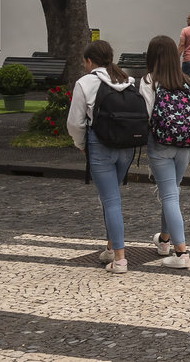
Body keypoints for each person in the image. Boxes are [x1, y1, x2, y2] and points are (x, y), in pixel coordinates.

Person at [65, 40, 140, 273]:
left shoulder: (85, 82)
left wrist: (81, 145)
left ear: (89, 61)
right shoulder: (127, 80)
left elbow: (75, 122)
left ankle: (119, 258)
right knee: (112, 196)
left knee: (110, 201)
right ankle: (110, 248)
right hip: (127, 146)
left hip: (99, 146)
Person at [143, 34, 190, 268]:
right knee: (172, 192)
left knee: (169, 195)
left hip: (160, 144)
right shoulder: (185, 80)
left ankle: (181, 253)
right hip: (185, 144)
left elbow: (147, 113)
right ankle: (164, 240)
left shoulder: (150, 80)